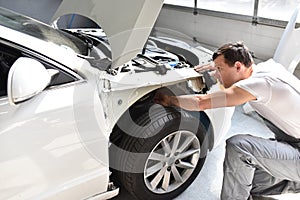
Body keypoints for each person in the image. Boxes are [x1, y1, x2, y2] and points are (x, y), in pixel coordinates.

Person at [154, 41, 300, 200]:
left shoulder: (258, 85)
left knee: (239, 147)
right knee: (244, 178)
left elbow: (201, 102)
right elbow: (239, 51)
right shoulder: (267, 68)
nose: (216, 75)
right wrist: (217, 65)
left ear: (238, 66)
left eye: (220, 70)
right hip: (293, 142)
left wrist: (169, 100)